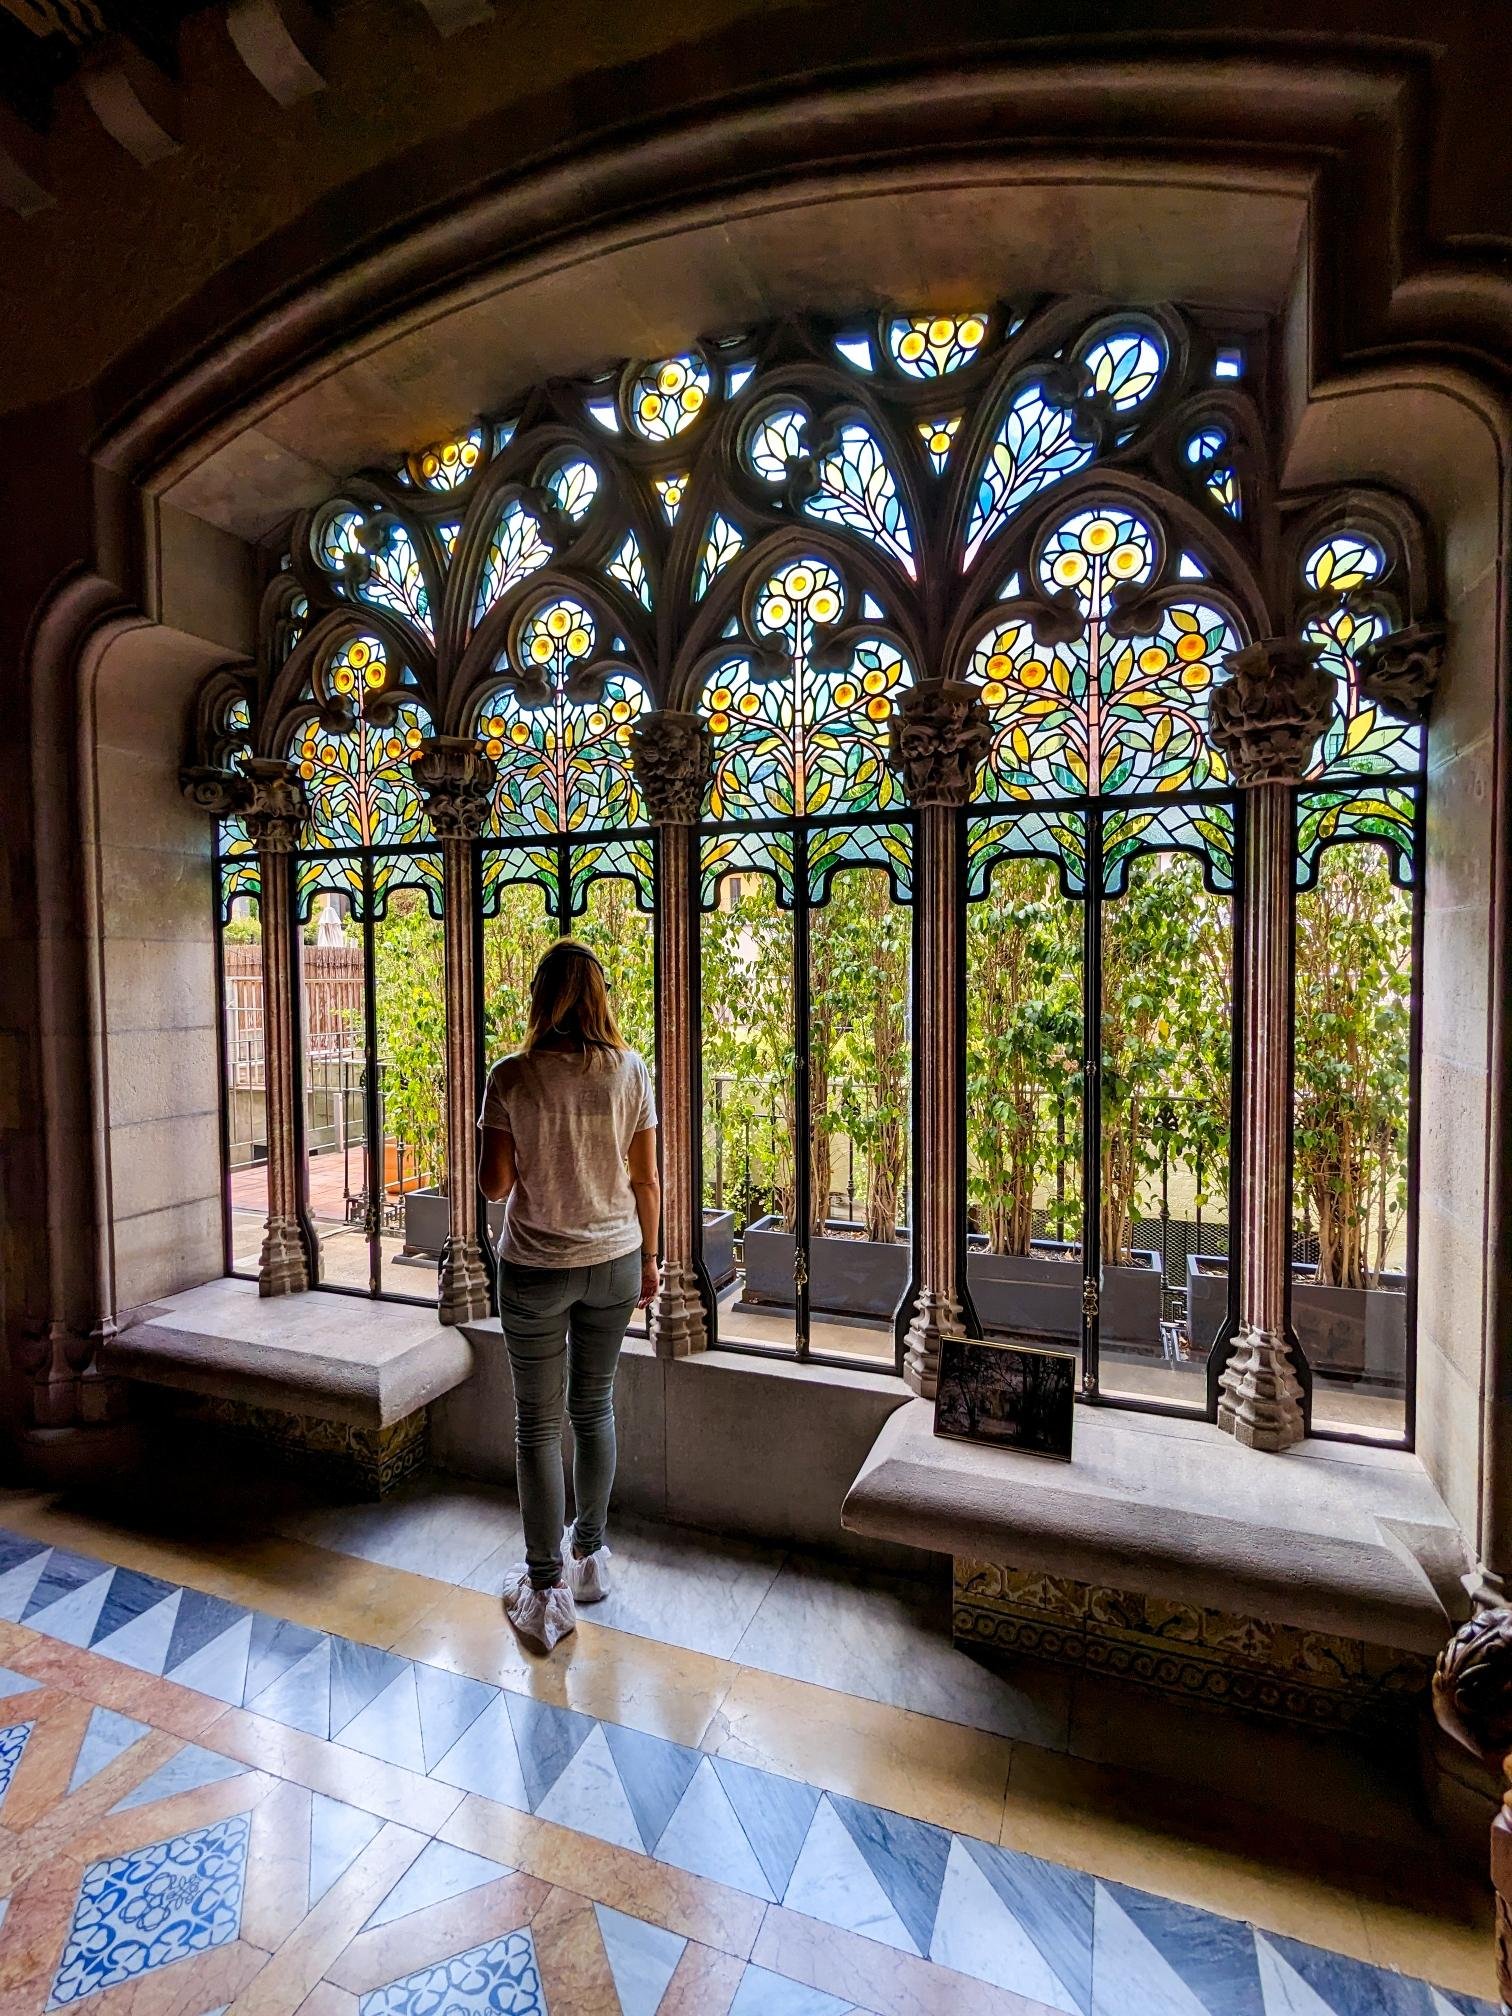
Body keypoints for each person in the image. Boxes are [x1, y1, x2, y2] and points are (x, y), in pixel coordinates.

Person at [478, 939, 659, 1651]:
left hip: (534, 1269)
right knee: (593, 1408)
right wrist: (653, 1259)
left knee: (537, 1423)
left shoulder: (511, 1076)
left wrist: (512, 1136)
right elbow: (646, 1180)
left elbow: (494, 1187)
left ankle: (545, 1587)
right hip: (615, 1259)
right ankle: (589, 1558)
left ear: (539, 995)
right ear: (599, 995)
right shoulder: (630, 1071)